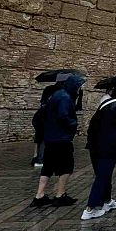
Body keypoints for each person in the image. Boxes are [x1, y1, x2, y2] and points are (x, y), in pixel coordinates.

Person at [30, 75, 83, 207]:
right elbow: (63, 116)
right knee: (66, 166)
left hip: (51, 137)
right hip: (61, 138)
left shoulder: (55, 95)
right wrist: (73, 123)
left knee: (48, 167)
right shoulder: (64, 97)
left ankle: (39, 195)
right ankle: (60, 194)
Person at [81, 85, 116, 220]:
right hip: (109, 147)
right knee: (102, 176)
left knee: (104, 174)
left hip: (95, 146)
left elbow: (92, 125)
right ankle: (90, 208)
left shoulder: (105, 104)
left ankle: (107, 200)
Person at [31, 82, 60, 168]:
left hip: (42, 124)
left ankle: (38, 158)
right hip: (45, 124)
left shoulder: (45, 101)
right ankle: (40, 160)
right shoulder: (50, 101)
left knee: (40, 141)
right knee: (43, 142)